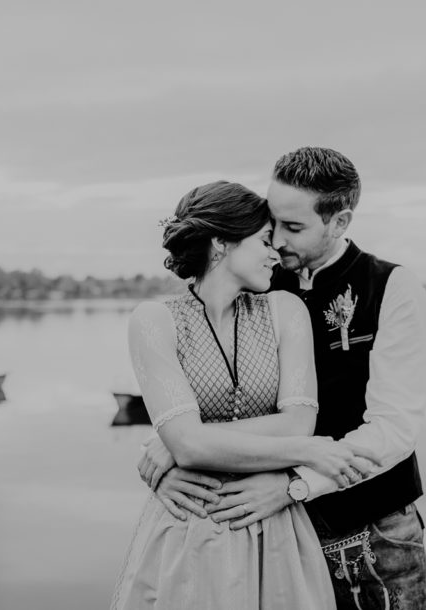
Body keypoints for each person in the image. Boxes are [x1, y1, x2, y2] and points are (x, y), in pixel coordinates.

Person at [138, 148, 426, 610]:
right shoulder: (257, 279)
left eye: (293, 227)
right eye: (272, 222)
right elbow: (202, 381)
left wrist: (294, 483)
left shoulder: (391, 287)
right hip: (266, 539)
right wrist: (170, 446)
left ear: (339, 221)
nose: (276, 240)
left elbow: (393, 429)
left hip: (372, 533)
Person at [110, 180, 380, 610]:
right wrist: (308, 451)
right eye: (264, 241)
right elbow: (190, 446)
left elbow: (297, 422)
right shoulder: (155, 320)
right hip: (188, 525)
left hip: (274, 527)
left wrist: (183, 439)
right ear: (221, 243)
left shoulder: (285, 311)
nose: (276, 254)